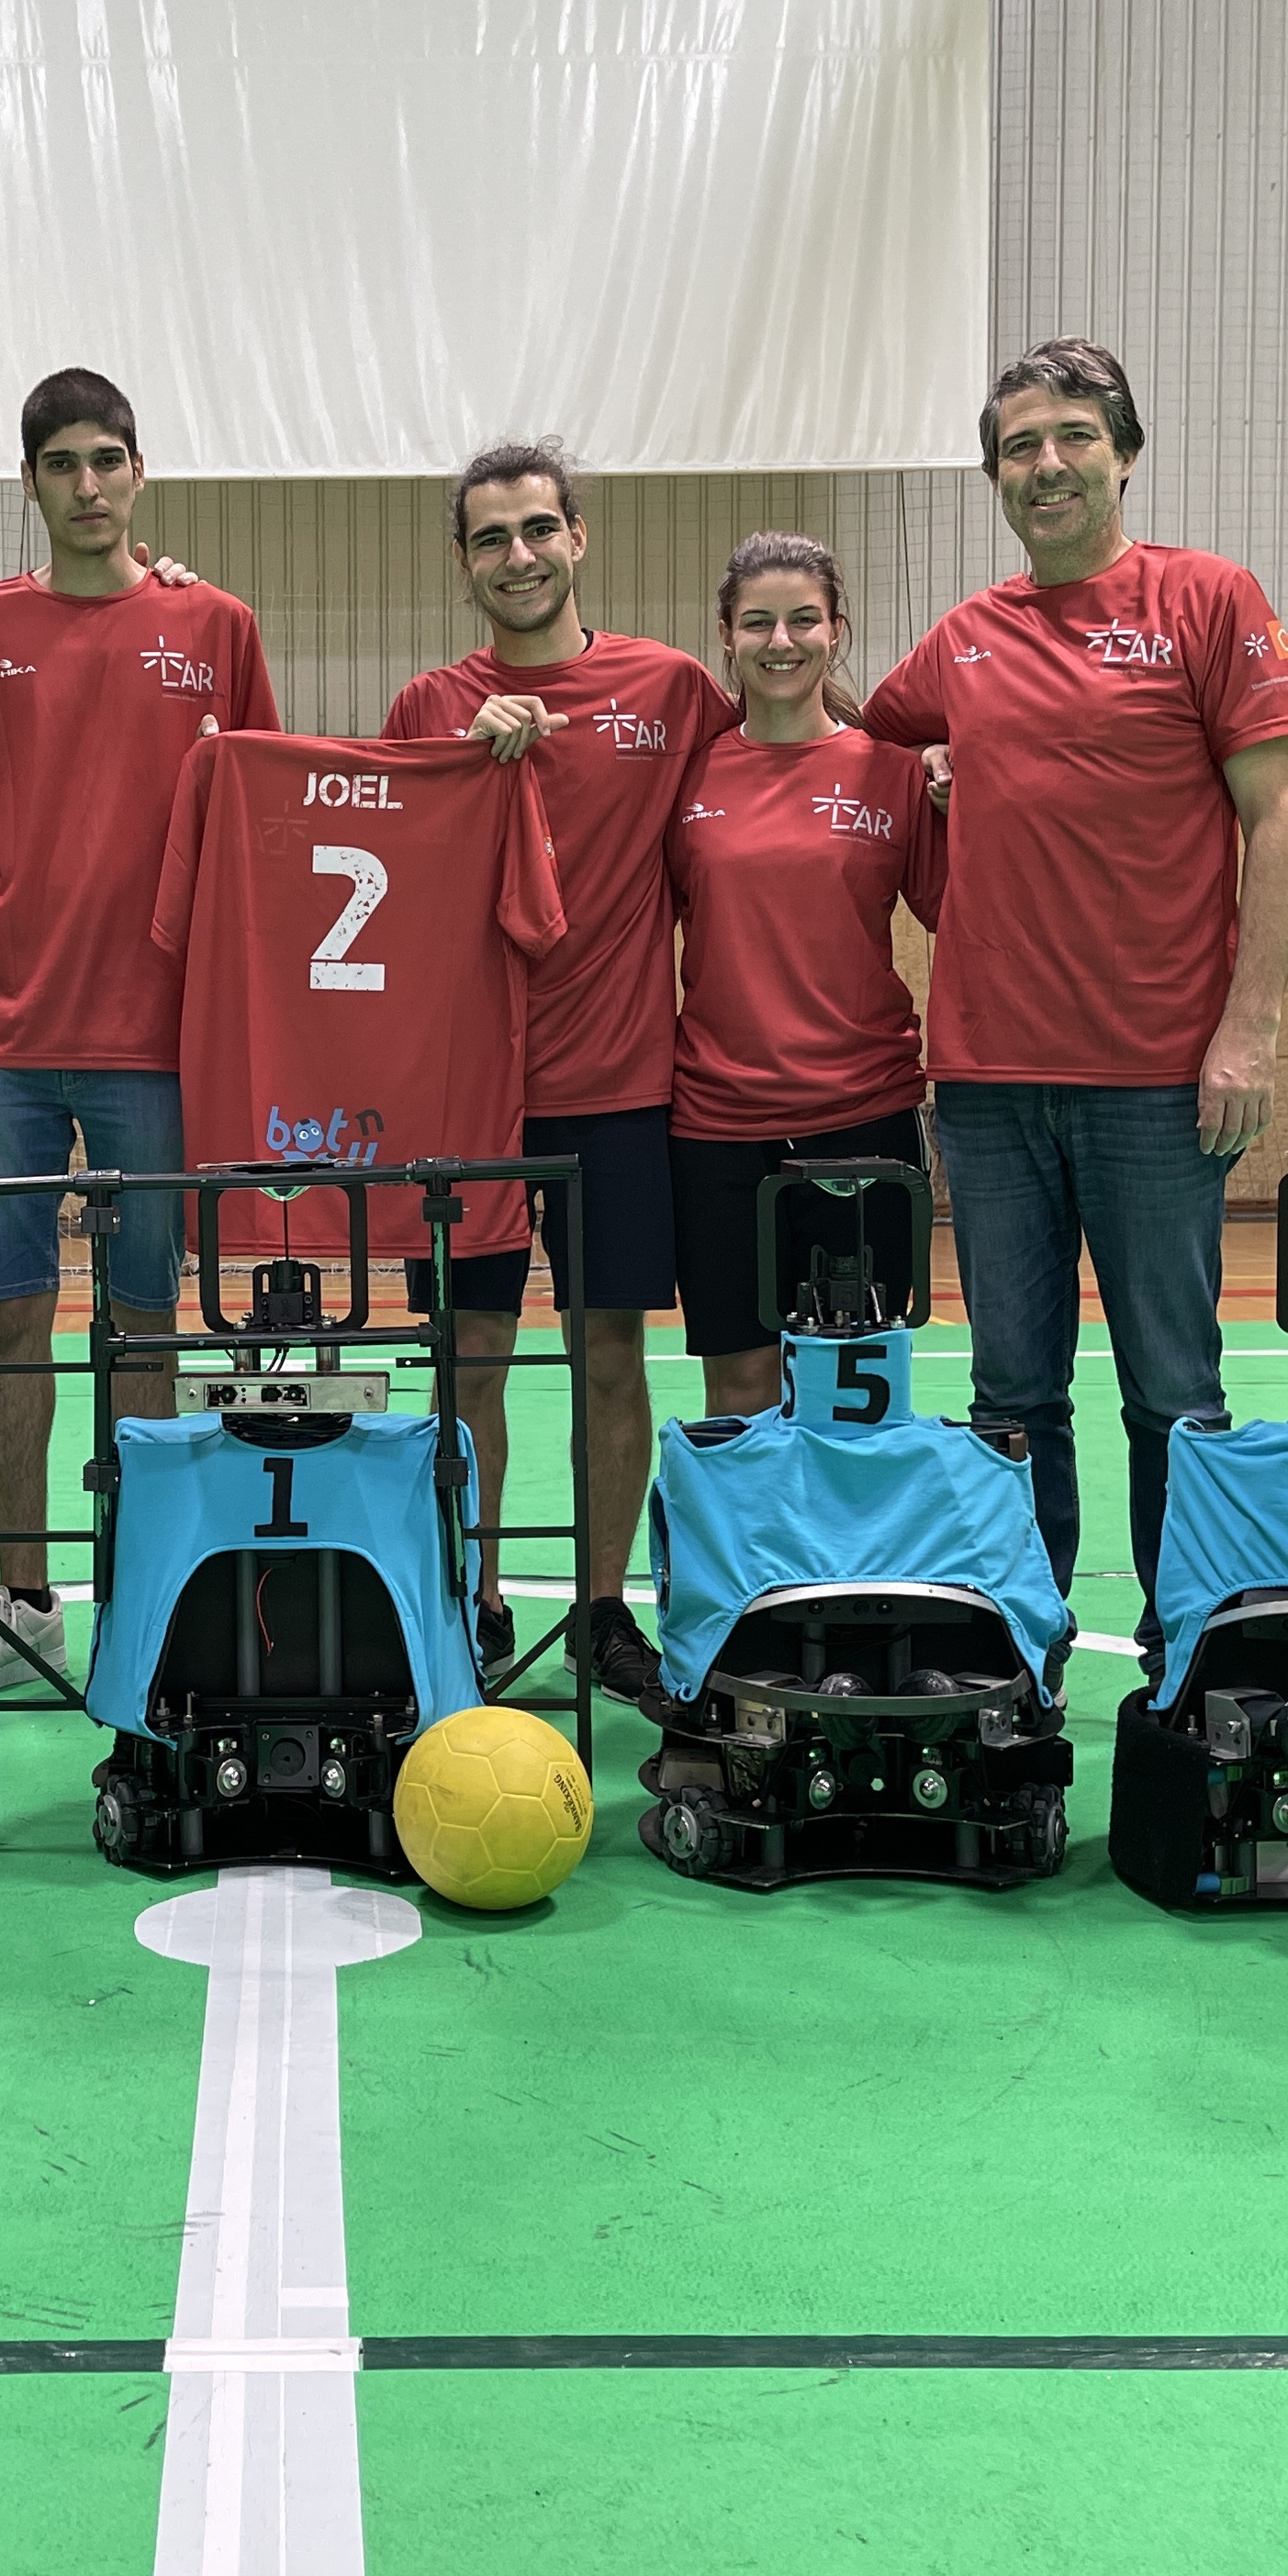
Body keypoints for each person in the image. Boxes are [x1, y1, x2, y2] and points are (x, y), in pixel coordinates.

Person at [860, 338, 1288, 1659]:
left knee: (1174, 1391)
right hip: (990, 1087)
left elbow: (1282, 820)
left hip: (1157, 1084)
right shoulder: (968, 636)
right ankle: (1024, 1649)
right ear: (995, 474)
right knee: (1013, 1392)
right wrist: (924, 752)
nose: (1045, 464)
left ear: (1124, 451)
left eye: (1071, 436)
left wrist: (1250, 1029)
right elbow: (859, 736)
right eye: (1018, 445)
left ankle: (1195, 1656)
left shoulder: (1209, 601)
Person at [0, 367, 278, 1703]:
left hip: (156, 1049)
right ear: (30, 482)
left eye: (106, 458)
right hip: (4, 1042)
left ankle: (143, 1591)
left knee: (145, 1328)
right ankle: (22, 1610)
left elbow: (259, 827)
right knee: (9, 1322)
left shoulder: (215, 624)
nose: (85, 483)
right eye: (59, 462)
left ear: (140, 472)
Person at [381, 440, 731, 1703]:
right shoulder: (429, 706)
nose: (518, 556)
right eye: (491, 537)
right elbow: (398, 888)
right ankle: (470, 1597)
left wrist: (920, 762)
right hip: (469, 1097)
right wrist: (457, 772)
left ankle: (597, 1607)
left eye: (539, 530)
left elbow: (791, 751)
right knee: (469, 1354)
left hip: (621, 1084)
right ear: (462, 559)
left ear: (580, 537)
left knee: (609, 1354)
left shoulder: (674, 689)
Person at [666, 533, 940, 1417]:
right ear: (725, 638)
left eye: (802, 619)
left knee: (853, 1386)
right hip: (716, 1125)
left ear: (838, 632)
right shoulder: (684, 777)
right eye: (757, 623)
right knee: (739, 1383)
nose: (779, 641)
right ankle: (747, 1560)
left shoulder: (896, 774)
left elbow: (966, 918)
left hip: (863, 1116)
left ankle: (853, 1558)